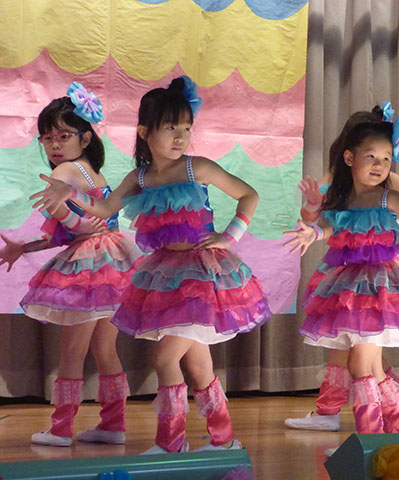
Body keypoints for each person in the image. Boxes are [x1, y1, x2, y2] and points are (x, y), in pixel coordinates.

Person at [30, 76, 271, 452]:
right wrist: (70, 193)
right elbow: (104, 209)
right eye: (170, 127)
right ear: (144, 132)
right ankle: (224, 439)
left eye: (186, 128)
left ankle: (172, 442)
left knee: (165, 356)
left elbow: (248, 194)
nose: (180, 136)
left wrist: (229, 236)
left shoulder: (197, 167)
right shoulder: (140, 177)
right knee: (198, 364)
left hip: (202, 274)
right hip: (166, 275)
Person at [0, 82, 144, 447]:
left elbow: (73, 224)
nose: (54, 144)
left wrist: (75, 221)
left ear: (85, 138)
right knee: (105, 350)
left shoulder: (64, 172)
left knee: (72, 351)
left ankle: (61, 429)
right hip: (115, 260)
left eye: (63, 136)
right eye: (47, 138)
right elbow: (70, 231)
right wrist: (25, 247)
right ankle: (113, 424)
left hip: (89, 267)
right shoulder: (91, 172)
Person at [284, 119, 399, 443]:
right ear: (349, 157)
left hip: (380, 290)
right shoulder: (341, 198)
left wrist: (397, 250)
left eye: (386, 158)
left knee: (360, 365)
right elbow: (329, 227)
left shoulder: (388, 198)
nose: (379, 165)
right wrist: (313, 229)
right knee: (371, 369)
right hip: (349, 286)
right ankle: (394, 429)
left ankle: (370, 440)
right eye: (371, 157)